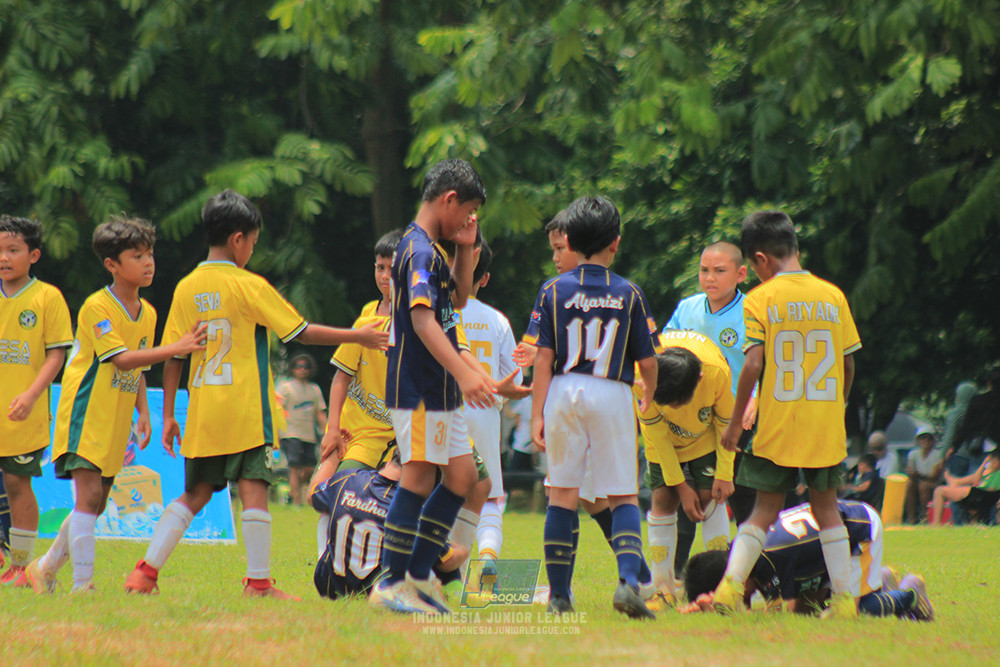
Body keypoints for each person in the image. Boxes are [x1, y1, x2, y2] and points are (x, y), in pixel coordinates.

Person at [122, 189, 388, 600]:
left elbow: (173, 356)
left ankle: (145, 573)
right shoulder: (249, 285)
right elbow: (300, 331)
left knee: (193, 494)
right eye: (254, 242)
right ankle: (259, 584)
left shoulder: (186, 287)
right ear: (239, 239)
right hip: (247, 413)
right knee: (255, 491)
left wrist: (172, 413)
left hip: (204, 411)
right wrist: (359, 335)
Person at [26, 217, 208, 594]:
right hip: (85, 414)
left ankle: (43, 568)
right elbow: (120, 358)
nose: (148, 262)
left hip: (117, 418)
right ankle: (83, 587)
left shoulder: (149, 312)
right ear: (111, 264)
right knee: (89, 497)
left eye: (150, 254)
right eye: (137, 255)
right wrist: (178, 347)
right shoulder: (98, 307)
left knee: (97, 503)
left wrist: (143, 411)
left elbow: (138, 362)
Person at [712, 210, 862, 619]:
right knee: (827, 507)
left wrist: (734, 422)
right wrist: (839, 406)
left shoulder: (760, 299)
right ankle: (846, 601)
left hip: (777, 424)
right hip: (824, 424)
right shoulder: (833, 296)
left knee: (763, 508)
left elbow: (755, 365)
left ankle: (728, 589)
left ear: (760, 259)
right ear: (793, 247)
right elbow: (848, 365)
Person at [369, 159, 497, 615]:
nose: (468, 221)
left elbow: (457, 302)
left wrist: (466, 251)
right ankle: (391, 583)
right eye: (468, 212)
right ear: (448, 199)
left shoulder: (434, 251)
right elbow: (423, 321)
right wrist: (465, 373)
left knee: (462, 477)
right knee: (419, 476)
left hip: (440, 392)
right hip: (421, 388)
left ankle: (420, 575)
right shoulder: (418, 251)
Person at [529, 195, 659, 619]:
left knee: (562, 496)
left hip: (564, 391)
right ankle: (627, 584)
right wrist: (648, 395)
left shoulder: (552, 290)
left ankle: (561, 598)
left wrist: (537, 414)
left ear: (570, 239)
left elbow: (543, 359)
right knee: (622, 495)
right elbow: (649, 360)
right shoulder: (629, 293)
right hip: (612, 391)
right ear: (615, 244)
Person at [661, 241, 757, 576]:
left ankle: (750, 574)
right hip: (690, 417)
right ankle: (675, 574)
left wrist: (755, 399)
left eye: (720, 271)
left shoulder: (752, 311)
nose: (710, 278)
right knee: (691, 498)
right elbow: (665, 353)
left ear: (740, 274)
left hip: (735, 419)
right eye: (704, 270)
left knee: (742, 496)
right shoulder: (687, 309)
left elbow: (763, 363)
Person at [683, 500, 934, 621]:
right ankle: (879, 579)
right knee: (809, 612)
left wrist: (718, 608)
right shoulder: (746, 547)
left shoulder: (770, 565)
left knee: (851, 613)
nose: (742, 597)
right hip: (835, 533)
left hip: (859, 532)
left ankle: (910, 594)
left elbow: (776, 616)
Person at [636, 330, 735, 609]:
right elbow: (657, 436)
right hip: (662, 443)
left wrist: (724, 474)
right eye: (668, 402)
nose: (675, 407)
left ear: (699, 379)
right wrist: (680, 486)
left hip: (705, 438)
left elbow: (724, 423)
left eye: (681, 400)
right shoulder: (641, 375)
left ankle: (722, 587)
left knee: (711, 496)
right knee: (663, 499)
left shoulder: (716, 373)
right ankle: (663, 589)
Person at [0, 215, 73, 586]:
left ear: (34, 255)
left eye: (13, 250)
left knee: (16, 483)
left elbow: (55, 356)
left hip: (21, 414)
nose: (4, 258)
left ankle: (20, 567)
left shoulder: (47, 298)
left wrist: (31, 395)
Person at [310, 449, 466, 600]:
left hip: (328, 587)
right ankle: (454, 592)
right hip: (377, 592)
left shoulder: (348, 478)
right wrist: (462, 550)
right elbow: (447, 563)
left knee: (326, 502)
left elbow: (313, 495)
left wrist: (332, 455)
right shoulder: (410, 508)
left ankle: (330, 567)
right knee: (429, 548)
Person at [276, 353, 327, 506]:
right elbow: (277, 409)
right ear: (293, 369)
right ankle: (297, 501)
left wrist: (327, 431)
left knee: (309, 469)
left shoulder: (314, 389)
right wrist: (276, 432)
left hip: (309, 435)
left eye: (305, 367)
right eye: (299, 366)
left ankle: (291, 492)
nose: (302, 370)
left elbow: (320, 413)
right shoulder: (286, 387)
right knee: (293, 466)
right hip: (290, 432)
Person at [930, 449, 1000, 526]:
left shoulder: (998, 474)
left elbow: (991, 490)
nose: (993, 463)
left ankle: (936, 524)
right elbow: (975, 479)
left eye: (996, 461)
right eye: (992, 460)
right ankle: (953, 483)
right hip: (977, 492)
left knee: (939, 491)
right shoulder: (988, 472)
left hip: (983, 495)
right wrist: (983, 464)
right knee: (942, 489)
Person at [905, 430, 943, 524]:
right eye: (923, 438)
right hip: (918, 480)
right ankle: (911, 518)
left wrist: (918, 474)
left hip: (935, 483)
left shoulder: (937, 454)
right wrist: (911, 473)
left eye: (929, 438)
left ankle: (925, 516)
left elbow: (934, 476)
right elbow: (910, 470)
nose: (926, 440)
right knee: (909, 484)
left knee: (924, 486)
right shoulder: (913, 454)